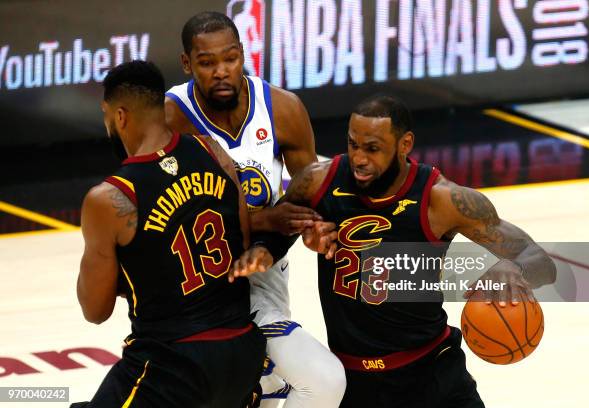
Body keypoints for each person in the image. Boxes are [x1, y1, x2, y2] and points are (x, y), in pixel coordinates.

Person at [282, 94, 557, 407]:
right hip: (355, 381)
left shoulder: (441, 199)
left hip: (433, 374)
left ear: (404, 143)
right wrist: (303, 230)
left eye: (372, 148)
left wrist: (514, 270)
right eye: (352, 144)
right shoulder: (319, 182)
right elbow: (268, 233)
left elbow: (541, 261)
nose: (359, 158)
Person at [165, 11, 346, 407]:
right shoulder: (172, 117)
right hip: (204, 281)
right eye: (207, 62)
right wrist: (268, 217)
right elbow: (172, 219)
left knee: (269, 394)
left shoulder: (282, 109)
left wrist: (314, 228)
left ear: (243, 54)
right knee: (319, 381)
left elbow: (310, 198)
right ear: (186, 64)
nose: (221, 71)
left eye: (230, 59)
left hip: (266, 274)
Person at [74, 60, 276, 407]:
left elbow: (95, 311)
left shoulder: (110, 198)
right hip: (241, 353)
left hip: (172, 365)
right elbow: (240, 244)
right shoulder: (212, 152)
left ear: (120, 116)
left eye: (107, 117)